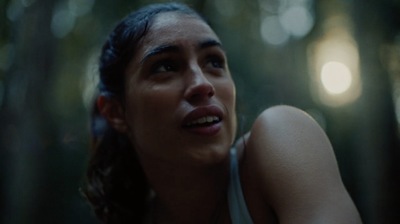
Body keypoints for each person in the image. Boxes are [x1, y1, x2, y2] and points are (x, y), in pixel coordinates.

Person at [84, 2, 362, 224]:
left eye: (214, 61)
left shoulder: (282, 134)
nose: (202, 84)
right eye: (165, 67)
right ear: (116, 112)